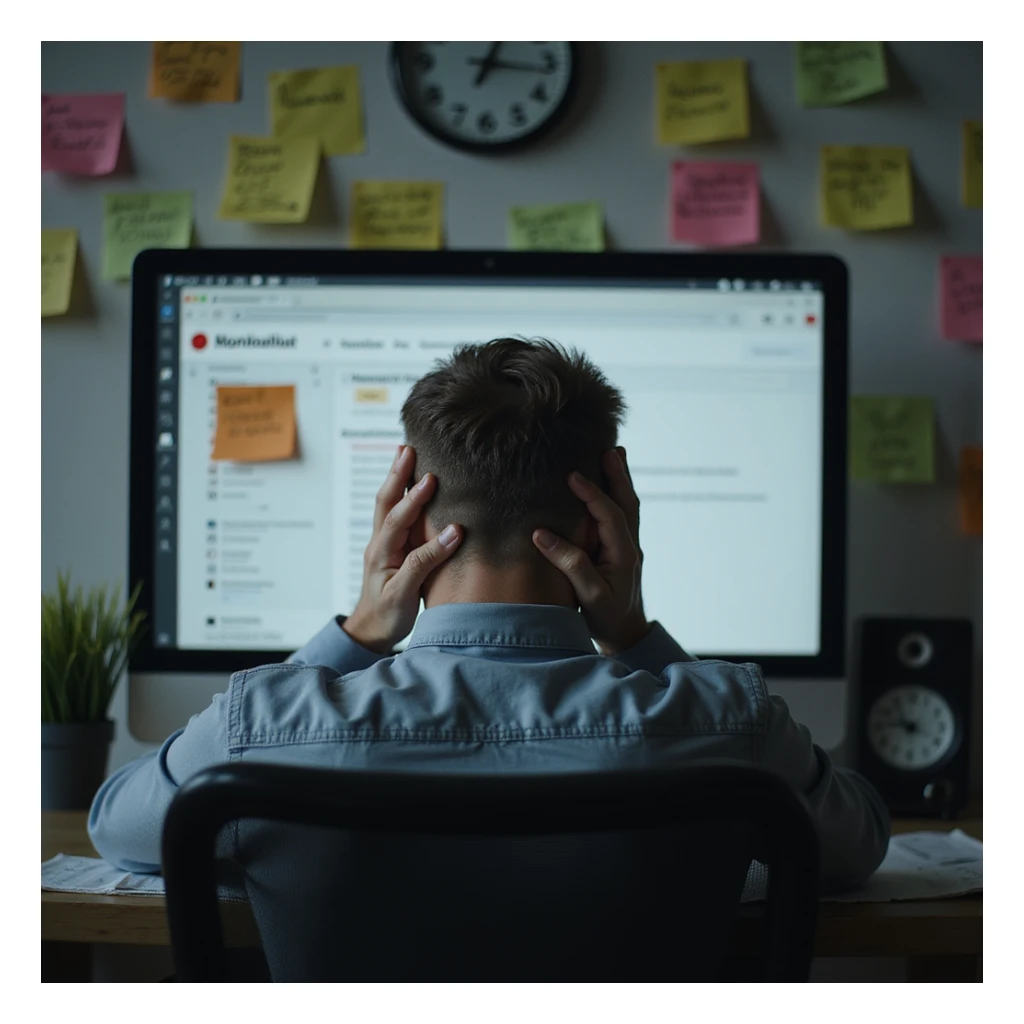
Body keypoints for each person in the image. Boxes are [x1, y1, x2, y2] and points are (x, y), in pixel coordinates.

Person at [89, 337, 889, 893]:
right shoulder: (725, 722)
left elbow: (118, 827)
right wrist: (638, 638)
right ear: (606, 525)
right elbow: (858, 845)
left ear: (407, 528)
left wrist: (354, 638)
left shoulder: (265, 725)